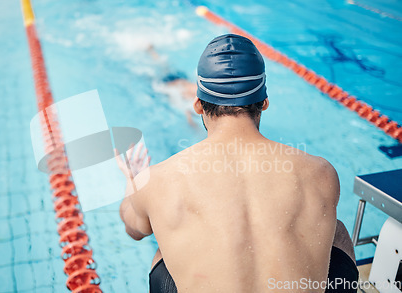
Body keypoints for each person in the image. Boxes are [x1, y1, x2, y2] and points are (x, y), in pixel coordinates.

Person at [116, 34, 358, 292]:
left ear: (198, 105)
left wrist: (133, 184)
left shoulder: (157, 179)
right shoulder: (321, 171)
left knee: (166, 248)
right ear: (264, 103)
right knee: (337, 231)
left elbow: (135, 229)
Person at [146, 45, 198, 126]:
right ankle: (151, 51)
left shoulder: (192, 100)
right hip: (169, 82)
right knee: (159, 71)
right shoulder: (192, 100)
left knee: (164, 67)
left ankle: (151, 50)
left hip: (178, 81)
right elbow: (188, 115)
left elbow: (188, 115)